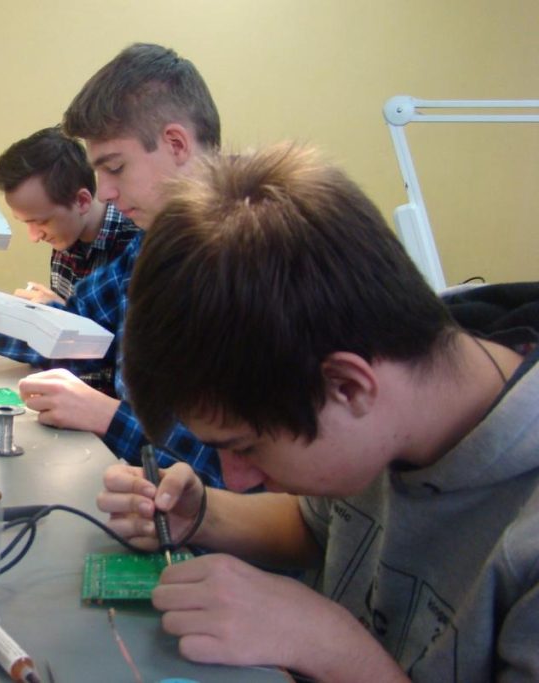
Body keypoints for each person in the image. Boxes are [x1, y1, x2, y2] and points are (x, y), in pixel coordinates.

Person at [98, 143, 539, 681]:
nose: (236, 477)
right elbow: (321, 524)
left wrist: (329, 646)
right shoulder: (395, 374)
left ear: (349, 387)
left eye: (246, 447)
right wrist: (206, 515)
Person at [0, 43, 223, 479]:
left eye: (115, 167)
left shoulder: (249, 263)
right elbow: (69, 330)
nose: (105, 193)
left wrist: (106, 416)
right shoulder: (150, 245)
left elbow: (241, 473)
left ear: (175, 143)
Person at [0, 126, 140, 306]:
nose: (34, 237)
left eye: (41, 222)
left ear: (81, 201)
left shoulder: (137, 243)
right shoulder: (67, 235)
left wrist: (64, 313)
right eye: (26, 222)